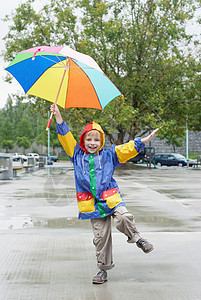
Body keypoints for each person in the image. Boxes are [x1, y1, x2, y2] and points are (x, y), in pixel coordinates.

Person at [50, 103, 158, 284]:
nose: (92, 143)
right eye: (89, 140)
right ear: (83, 140)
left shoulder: (109, 155)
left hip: (111, 199)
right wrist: (58, 116)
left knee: (124, 217)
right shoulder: (76, 154)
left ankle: (137, 238)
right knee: (101, 238)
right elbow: (65, 136)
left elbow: (126, 148)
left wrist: (142, 141)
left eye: (96, 140)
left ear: (101, 142)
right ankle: (103, 270)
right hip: (91, 204)